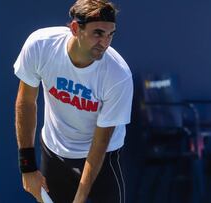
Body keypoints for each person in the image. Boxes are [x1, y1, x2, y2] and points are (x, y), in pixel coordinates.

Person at [13, 0, 133, 203]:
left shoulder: (118, 75)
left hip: (103, 159)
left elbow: (101, 141)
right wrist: (27, 167)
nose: (105, 42)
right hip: (54, 153)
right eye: (98, 33)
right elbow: (26, 102)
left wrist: (80, 196)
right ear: (76, 29)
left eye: (110, 34)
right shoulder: (41, 45)